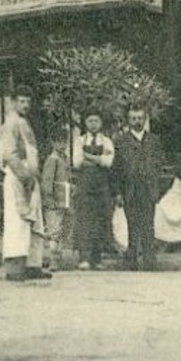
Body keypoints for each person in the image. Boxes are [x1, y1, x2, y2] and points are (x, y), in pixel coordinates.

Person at [0, 90, 51, 282]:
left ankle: (32, 264)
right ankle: (14, 267)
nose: (26, 105)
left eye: (28, 101)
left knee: (35, 221)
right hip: (17, 176)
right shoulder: (10, 124)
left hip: (30, 176)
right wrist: (25, 177)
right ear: (13, 102)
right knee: (17, 221)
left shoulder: (24, 123)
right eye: (21, 101)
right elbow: (10, 155)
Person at [112, 105, 166, 270]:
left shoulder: (154, 141)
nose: (137, 122)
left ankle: (150, 261)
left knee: (148, 225)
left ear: (145, 119)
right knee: (132, 225)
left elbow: (159, 166)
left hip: (148, 189)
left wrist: (157, 188)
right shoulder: (121, 142)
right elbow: (116, 169)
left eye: (140, 118)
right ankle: (132, 261)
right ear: (128, 120)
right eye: (133, 118)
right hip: (130, 189)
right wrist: (118, 193)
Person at [73, 110, 115, 270]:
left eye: (96, 121)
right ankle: (84, 258)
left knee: (100, 219)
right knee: (85, 219)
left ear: (101, 123)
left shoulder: (107, 141)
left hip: (102, 185)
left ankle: (97, 259)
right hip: (85, 185)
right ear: (85, 123)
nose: (93, 124)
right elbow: (77, 162)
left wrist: (88, 157)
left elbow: (109, 162)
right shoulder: (79, 140)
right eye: (90, 121)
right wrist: (98, 160)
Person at [40, 128, 72, 271]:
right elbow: (47, 181)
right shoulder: (52, 159)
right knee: (53, 230)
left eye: (64, 141)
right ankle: (52, 259)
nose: (62, 144)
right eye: (58, 141)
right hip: (54, 201)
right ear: (52, 142)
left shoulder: (64, 158)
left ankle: (56, 258)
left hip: (63, 200)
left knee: (61, 230)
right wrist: (49, 198)